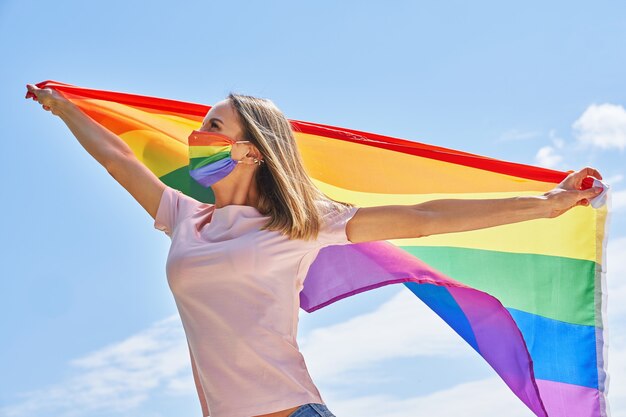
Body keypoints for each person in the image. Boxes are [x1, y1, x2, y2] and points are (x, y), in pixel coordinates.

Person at [25, 83, 604, 417]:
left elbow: (426, 219)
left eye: (211, 125)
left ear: (251, 151)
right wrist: (66, 108)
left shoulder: (300, 225)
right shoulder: (185, 218)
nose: (195, 138)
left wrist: (545, 203)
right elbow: (118, 159)